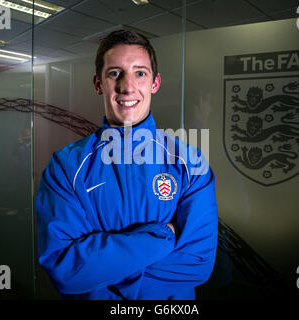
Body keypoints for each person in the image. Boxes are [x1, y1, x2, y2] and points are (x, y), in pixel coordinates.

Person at [35, 29, 218, 300]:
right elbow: (65, 267)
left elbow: (197, 263)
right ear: (98, 83)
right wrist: (164, 237)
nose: (127, 87)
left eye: (140, 73)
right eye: (115, 73)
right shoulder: (66, 167)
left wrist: (105, 271)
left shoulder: (189, 164)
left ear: (155, 83)